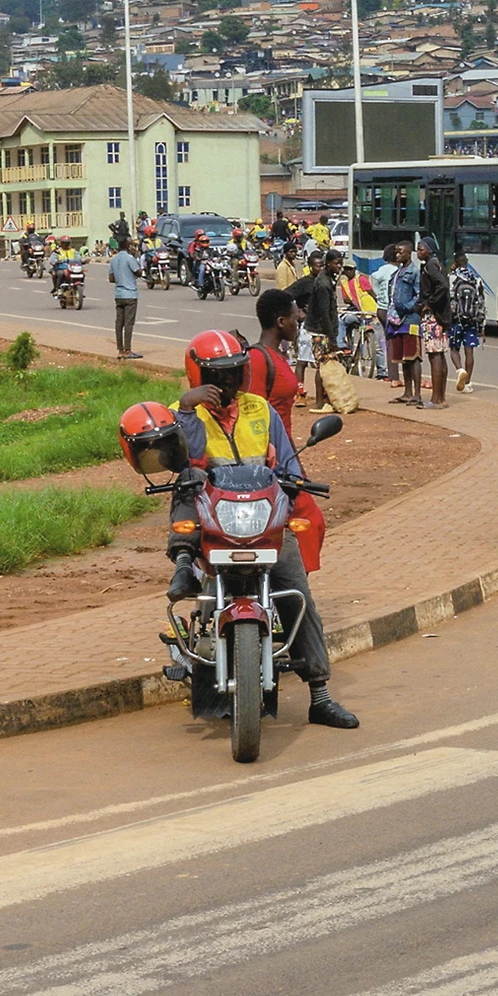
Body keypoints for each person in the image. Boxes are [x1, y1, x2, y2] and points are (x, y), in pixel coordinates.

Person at [170, 331, 355, 729]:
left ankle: (320, 695)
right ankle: (182, 563)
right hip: (213, 521)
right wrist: (188, 408)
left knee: (296, 593)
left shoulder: (261, 410)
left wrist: (292, 484)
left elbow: (287, 463)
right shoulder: (184, 414)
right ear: (196, 375)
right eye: (217, 376)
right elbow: (187, 459)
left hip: (261, 520)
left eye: (234, 373)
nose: (227, 384)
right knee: (184, 486)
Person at [250, 290, 304, 429]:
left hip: (283, 444)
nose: (297, 325)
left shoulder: (279, 355)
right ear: (281, 321)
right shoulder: (258, 359)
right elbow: (253, 414)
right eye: (295, 320)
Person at [288, 251, 338, 401]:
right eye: (318, 266)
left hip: (319, 327)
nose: (320, 268)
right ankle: (300, 392)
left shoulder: (327, 281)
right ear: (310, 267)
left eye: (322, 265)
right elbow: (285, 295)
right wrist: (298, 312)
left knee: (320, 363)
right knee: (303, 361)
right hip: (310, 328)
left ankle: (322, 395)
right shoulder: (306, 283)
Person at [380, 245, 423, 404]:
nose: (397, 255)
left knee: (414, 357)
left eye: (401, 252)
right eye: (396, 252)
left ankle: (417, 395)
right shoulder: (397, 272)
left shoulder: (415, 272)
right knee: (403, 358)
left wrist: (407, 308)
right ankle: (407, 392)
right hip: (395, 320)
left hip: (410, 320)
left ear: (409, 253)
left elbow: (419, 295)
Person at [416, 238, 451, 409]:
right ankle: (440, 397)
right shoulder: (435, 264)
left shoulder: (431, 265)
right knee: (440, 355)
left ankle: (437, 399)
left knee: (435, 354)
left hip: (433, 316)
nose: (418, 253)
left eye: (421, 249)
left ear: (429, 250)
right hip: (440, 315)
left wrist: (428, 304)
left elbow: (443, 286)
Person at [448, 252, 487, 394]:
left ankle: (459, 369)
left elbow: (449, 299)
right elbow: (481, 303)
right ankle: (468, 383)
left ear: (456, 262)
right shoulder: (476, 279)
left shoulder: (452, 278)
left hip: (456, 320)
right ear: (467, 261)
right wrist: (481, 325)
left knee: (454, 348)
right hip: (471, 320)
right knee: (469, 351)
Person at [108, 234, 143, 358]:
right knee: (128, 323)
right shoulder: (129, 258)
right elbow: (139, 272)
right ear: (128, 246)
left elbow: (111, 278)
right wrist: (136, 257)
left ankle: (120, 350)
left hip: (119, 294)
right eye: (132, 245)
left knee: (119, 323)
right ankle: (128, 350)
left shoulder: (114, 259)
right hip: (130, 294)